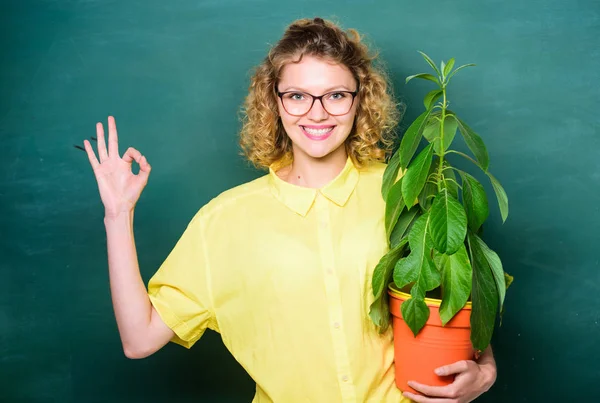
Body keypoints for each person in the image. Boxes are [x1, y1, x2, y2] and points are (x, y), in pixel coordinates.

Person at [83, 17, 497, 403]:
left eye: (336, 95)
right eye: (297, 95)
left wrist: (486, 371)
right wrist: (118, 215)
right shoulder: (223, 220)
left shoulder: (405, 187)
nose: (317, 112)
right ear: (274, 102)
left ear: (360, 100)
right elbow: (139, 340)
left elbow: (456, 291)